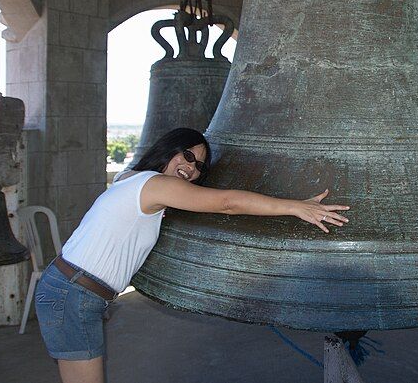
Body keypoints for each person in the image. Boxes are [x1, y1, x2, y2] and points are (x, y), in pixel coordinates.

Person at [34, 128, 350, 383]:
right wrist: (295, 206)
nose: (191, 168)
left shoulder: (131, 178)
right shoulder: (154, 185)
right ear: (169, 149)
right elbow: (228, 203)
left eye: (199, 166)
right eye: (187, 155)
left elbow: (131, 193)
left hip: (71, 287)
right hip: (73, 294)